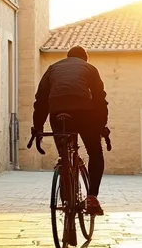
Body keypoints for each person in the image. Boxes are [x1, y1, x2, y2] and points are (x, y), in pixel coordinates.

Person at [31, 45, 110, 215]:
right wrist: (101, 125)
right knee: (95, 153)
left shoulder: (52, 69)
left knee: (64, 154)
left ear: (67, 57)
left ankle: (67, 192)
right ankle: (92, 197)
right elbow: (100, 99)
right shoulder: (89, 68)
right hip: (84, 113)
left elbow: (41, 100)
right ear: (84, 59)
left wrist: (37, 127)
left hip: (58, 113)